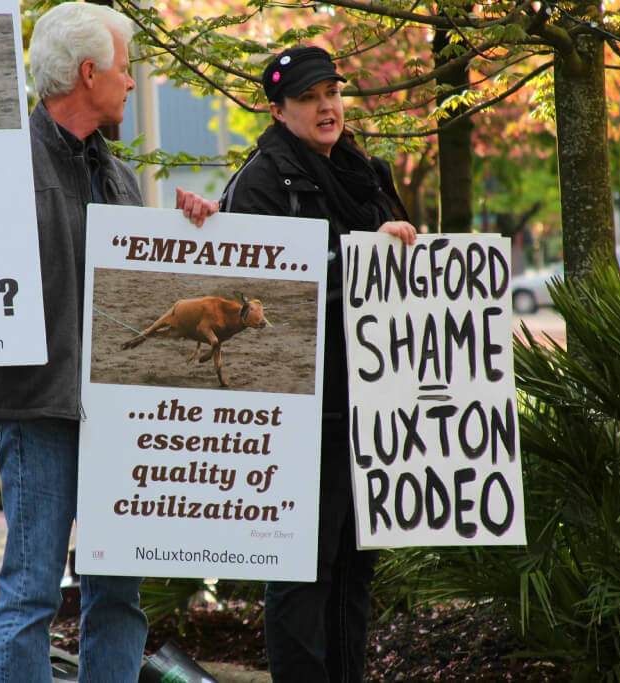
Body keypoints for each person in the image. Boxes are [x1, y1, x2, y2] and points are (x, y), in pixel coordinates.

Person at [0, 3, 217, 681]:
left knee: (119, 596)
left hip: (117, 417)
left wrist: (201, 236)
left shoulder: (121, 177)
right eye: (125, 70)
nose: (132, 84)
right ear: (88, 73)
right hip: (38, 408)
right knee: (31, 593)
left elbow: (148, 294)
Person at [219, 46, 416, 682]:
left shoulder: (367, 172)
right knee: (304, 569)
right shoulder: (259, 184)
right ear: (277, 110)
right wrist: (362, 256)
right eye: (308, 97)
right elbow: (263, 299)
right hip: (303, 409)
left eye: (332, 91)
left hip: (370, 399)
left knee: (356, 565)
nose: (327, 105)